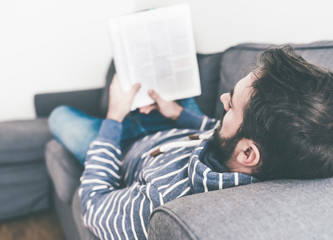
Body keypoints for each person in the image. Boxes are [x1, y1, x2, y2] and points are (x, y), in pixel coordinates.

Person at [49, 46, 333, 240]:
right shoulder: (255, 158)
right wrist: (177, 113)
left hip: (122, 144)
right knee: (163, 60)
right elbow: (217, 131)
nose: (223, 99)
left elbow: (93, 206)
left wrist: (114, 117)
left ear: (248, 153)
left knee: (58, 115)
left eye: (231, 105)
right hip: (172, 126)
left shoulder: (160, 201)